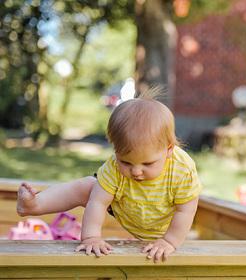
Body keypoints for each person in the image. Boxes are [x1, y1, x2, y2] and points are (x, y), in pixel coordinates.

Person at [16, 88, 202, 262]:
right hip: (126, 206)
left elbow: (185, 210)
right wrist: (91, 237)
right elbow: (97, 202)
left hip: (163, 222)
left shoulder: (181, 170)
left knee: (177, 219)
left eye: (147, 164)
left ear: (168, 150)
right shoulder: (113, 167)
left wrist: (169, 241)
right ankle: (35, 204)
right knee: (89, 187)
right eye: (126, 162)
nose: (136, 171)